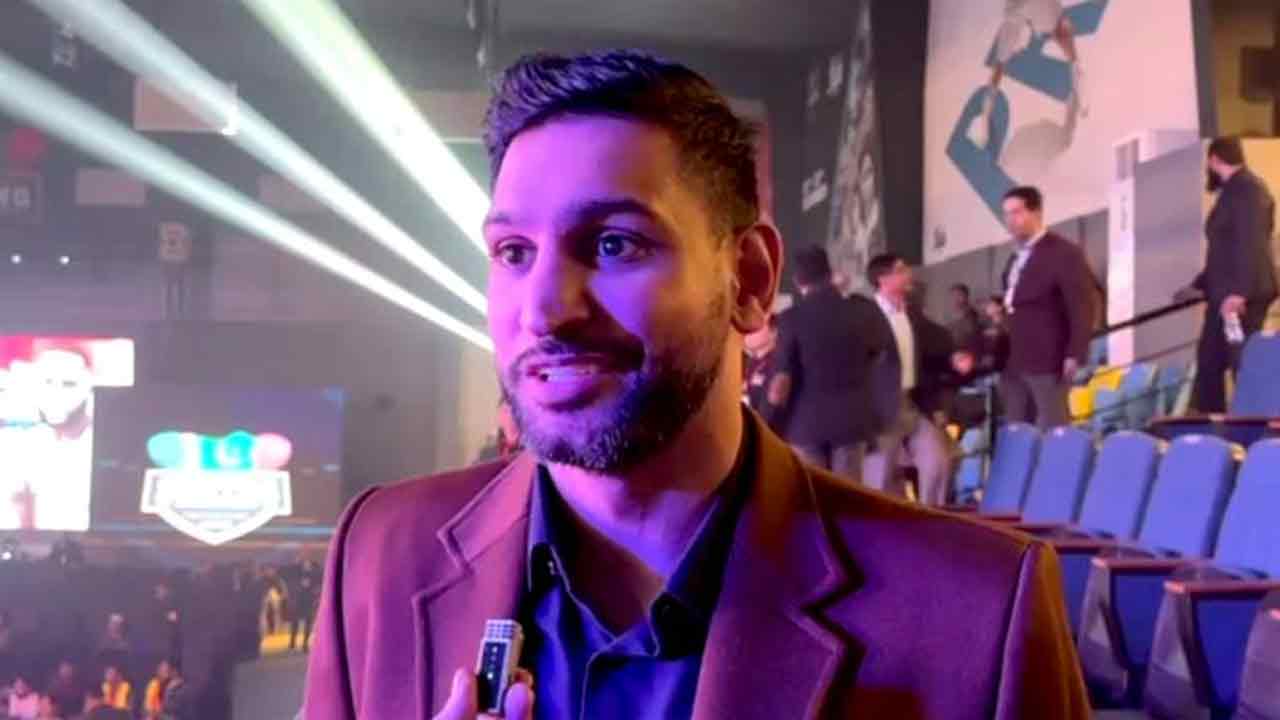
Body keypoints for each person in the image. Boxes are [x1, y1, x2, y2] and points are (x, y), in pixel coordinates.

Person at [302, 49, 1088, 720]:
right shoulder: (380, 554)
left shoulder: (978, 612)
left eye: (614, 244)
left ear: (751, 278)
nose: (542, 308)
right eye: (513, 253)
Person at [766, 246, 890, 480]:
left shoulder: (792, 318)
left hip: (806, 424)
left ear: (798, 281)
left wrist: (768, 421)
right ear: (830, 274)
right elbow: (879, 352)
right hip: (852, 421)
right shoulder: (860, 310)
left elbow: (781, 381)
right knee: (847, 493)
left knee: (814, 493)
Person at [1176, 137, 1278, 412]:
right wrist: (1199, 285)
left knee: (1238, 361)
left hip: (1238, 296)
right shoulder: (1237, 191)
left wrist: (1240, 292)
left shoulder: (1247, 191)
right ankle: (1212, 420)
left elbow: (1249, 244)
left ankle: (1251, 420)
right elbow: (1225, 251)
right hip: (1225, 293)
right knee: (1212, 359)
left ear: (1213, 160)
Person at [861, 254, 954, 505]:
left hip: (913, 403)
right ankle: (881, 523)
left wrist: (956, 357)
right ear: (883, 279)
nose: (908, 274)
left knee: (937, 462)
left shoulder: (913, 314)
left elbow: (937, 347)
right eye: (901, 270)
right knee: (880, 478)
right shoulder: (865, 316)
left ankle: (930, 519)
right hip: (880, 409)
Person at [999, 186, 1094, 429]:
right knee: (1017, 429)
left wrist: (1075, 352)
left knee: (1052, 425)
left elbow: (1081, 305)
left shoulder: (1064, 253)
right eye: (1006, 214)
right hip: (1014, 359)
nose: (1010, 220)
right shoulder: (1014, 258)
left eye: (1016, 212)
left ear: (1036, 213)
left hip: (1048, 358)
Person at [972, 0, 1086, 148]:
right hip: (1018, 8)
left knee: (1061, 31)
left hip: (1027, 7)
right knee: (1000, 62)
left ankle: (1079, 83)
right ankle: (985, 115)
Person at [946, 283, 982, 350]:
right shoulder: (951, 316)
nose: (956, 299)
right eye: (953, 296)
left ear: (966, 297)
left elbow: (970, 336)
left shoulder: (973, 315)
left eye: (959, 295)